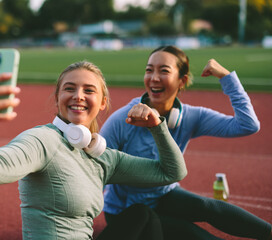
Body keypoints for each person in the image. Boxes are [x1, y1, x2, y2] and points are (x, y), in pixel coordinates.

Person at [0, 60, 187, 240]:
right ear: (57, 98)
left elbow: (171, 172)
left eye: (89, 90)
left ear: (103, 102)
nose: (78, 96)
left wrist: (158, 127)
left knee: (142, 216)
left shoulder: (103, 156)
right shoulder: (43, 140)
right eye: (70, 89)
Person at [100, 46, 272, 240]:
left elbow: (248, 125)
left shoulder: (190, 116)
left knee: (208, 206)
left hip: (165, 195)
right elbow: (97, 169)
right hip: (127, 210)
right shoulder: (123, 119)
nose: (154, 77)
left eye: (163, 70)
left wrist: (226, 77)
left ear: (182, 80)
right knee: (194, 234)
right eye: (149, 70)